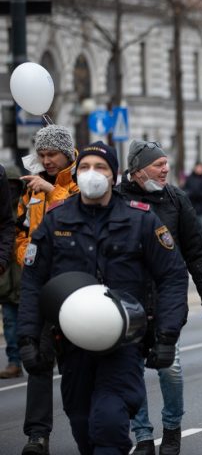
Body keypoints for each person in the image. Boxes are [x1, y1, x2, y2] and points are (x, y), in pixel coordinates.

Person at [18, 142, 188, 455]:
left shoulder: (141, 220)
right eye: (84, 167)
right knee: (82, 422)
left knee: (109, 422)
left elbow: (172, 276)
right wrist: (27, 338)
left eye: (100, 168)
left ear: (113, 176)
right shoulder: (56, 221)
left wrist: (167, 335)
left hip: (124, 343)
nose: (91, 174)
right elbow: (33, 281)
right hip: (72, 343)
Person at [117, 140, 202, 455]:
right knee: (130, 369)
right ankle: (144, 437)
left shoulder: (177, 199)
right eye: (158, 164)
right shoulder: (116, 199)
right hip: (126, 298)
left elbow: (197, 250)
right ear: (136, 170)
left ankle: (172, 429)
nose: (166, 170)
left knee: (170, 367)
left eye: (166, 163)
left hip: (167, 297)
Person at [15, 124, 80, 455]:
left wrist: (51, 191)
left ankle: (85, 424)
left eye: (51, 154)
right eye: (41, 154)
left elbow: (80, 214)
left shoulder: (85, 178)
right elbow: (22, 229)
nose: (46, 160)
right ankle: (37, 436)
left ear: (66, 153)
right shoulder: (33, 189)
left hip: (74, 286)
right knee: (38, 361)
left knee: (76, 361)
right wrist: (24, 252)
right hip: (40, 283)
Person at [0, 163, 19, 379]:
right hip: (6, 281)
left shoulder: (26, 208)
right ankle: (14, 361)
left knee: (28, 325)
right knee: (10, 323)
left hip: (24, 279)